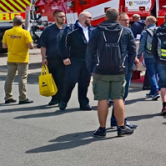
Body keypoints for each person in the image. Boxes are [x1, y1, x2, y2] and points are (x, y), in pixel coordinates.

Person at [86, 8, 136, 137]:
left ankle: (102, 129)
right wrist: (128, 66)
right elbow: (132, 51)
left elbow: (90, 50)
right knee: (118, 98)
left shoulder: (97, 30)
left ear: (106, 17)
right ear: (117, 17)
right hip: (119, 69)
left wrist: (91, 68)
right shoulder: (125, 31)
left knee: (102, 99)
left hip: (101, 69)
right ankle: (120, 127)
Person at [58, 12, 93, 110]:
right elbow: (62, 44)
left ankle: (83, 103)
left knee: (85, 82)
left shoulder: (92, 30)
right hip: (74, 60)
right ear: (83, 18)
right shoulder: (71, 29)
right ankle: (64, 100)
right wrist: (65, 57)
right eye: (89, 18)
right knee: (70, 81)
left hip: (87, 60)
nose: (91, 19)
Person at [111, 12, 140, 129]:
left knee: (121, 95)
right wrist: (133, 59)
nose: (127, 22)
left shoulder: (126, 31)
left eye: (128, 20)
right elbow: (131, 49)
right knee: (122, 94)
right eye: (124, 20)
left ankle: (115, 120)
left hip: (121, 65)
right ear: (118, 20)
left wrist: (135, 59)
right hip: (123, 66)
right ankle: (120, 121)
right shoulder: (126, 32)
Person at [3, 16, 34, 104]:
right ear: (22, 23)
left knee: (9, 77)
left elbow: (4, 46)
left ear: (13, 23)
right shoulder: (25, 33)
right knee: (22, 78)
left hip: (11, 58)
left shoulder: (7, 32)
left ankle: (8, 97)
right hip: (22, 59)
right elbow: (31, 46)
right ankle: (22, 98)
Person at [39, 10, 67, 106]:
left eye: (64, 16)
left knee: (62, 80)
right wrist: (43, 58)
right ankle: (55, 98)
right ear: (55, 18)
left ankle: (62, 99)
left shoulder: (68, 29)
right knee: (54, 79)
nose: (63, 18)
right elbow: (43, 45)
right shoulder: (48, 30)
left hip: (65, 59)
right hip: (52, 59)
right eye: (60, 16)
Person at [137, 16, 160, 100]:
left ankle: (156, 91)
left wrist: (138, 56)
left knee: (151, 73)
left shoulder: (145, 32)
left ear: (149, 22)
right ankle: (153, 91)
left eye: (146, 22)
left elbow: (142, 45)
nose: (145, 23)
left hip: (148, 55)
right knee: (156, 73)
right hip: (158, 54)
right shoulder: (159, 30)